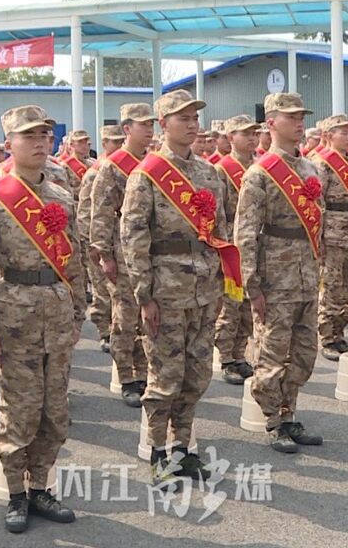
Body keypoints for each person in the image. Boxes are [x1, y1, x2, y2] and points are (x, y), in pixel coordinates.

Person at [0, 105, 82, 534]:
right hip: (15, 314)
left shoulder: (62, 197)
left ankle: (40, 487)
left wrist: (79, 312)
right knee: (20, 409)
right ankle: (15, 493)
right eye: (28, 136)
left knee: (55, 409)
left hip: (57, 311)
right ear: (9, 143)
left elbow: (75, 260)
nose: (38, 143)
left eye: (44, 135)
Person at [121, 90, 232, 482]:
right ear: (163, 124)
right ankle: (157, 453)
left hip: (204, 289)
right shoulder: (147, 175)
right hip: (166, 291)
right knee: (165, 377)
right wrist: (144, 295)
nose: (191, 124)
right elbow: (134, 239)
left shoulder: (209, 173)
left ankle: (183, 449)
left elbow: (220, 231)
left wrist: (221, 282)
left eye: (194, 117)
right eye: (182, 118)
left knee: (196, 375)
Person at [235, 92, 325, 453]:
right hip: (276, 275)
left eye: (302, 116)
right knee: (272, 352)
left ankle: (290, 413)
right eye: (292, 117)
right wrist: (252, 285)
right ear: (271, 122)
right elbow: (245, 233)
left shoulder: (310, 169)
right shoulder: (259, 174)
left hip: (306, 274)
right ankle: (273, 419)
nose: (300, 123)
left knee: (304, 352)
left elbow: (317, 223)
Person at [89, 104, 154, 407]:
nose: (150, 130)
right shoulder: (113, 166)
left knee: (149, 316)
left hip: (150, 250)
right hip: (122, 249)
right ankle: (127, 376)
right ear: (127, 129)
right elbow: (101, 213)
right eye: (143, 125)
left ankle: (146, 372)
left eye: (152, 124)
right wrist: (104, 255)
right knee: (125, 318)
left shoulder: (155, 163)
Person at [312, 114, 348, 361]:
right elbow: (317, 202)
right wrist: (319, 237)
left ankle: (340, 332)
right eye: (344, 133)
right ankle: (327, 336)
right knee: (331, 287)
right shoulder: (321, 164)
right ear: (329, 136)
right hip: (332, 234)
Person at [213, 115, 258, 385]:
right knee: (231, 303)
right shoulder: (221, 170)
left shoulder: (261, 166)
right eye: (246, 134)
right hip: (231, 243)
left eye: (254, 133)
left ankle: (240, 354)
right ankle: (227, 357)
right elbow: (217, 213)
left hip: (254, 243)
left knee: (249, 304)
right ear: (231, 138)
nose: (252, 138)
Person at [77, 125, 124, 352]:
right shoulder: (95, 172)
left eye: (122, 141)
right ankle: (105, 330)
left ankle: (118, 328)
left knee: (119, 290)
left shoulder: (124, 168)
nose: (119, 146)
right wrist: (92, 244)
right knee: (102, 288)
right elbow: (87, 211)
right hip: (100, 240)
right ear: (104, 144)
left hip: (121, 240)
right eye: (115, 142)